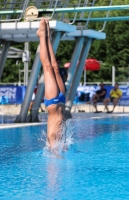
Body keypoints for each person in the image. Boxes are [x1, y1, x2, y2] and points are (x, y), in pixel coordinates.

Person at [37, 18, 66, 150]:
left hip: (53, 103)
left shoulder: (51, 142)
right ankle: (48, 36)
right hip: (62, 101)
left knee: (47, 67)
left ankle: (41, 35)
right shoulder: (62, 142)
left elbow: (53, 152)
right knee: (55, 67)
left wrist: (57, 157)